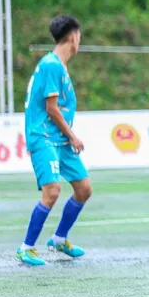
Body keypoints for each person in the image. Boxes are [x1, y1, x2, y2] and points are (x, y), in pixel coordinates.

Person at [17, 15, 92, 266]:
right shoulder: (51, 65)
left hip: (59, 138)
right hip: (45, 137)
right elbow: (51, 108)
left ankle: (59, 239)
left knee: (84, 189)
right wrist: (73, 135)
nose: (79, 40)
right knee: (52, 191)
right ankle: (26, 247)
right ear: (72, 37)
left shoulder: (59, 65)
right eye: (79, 36)